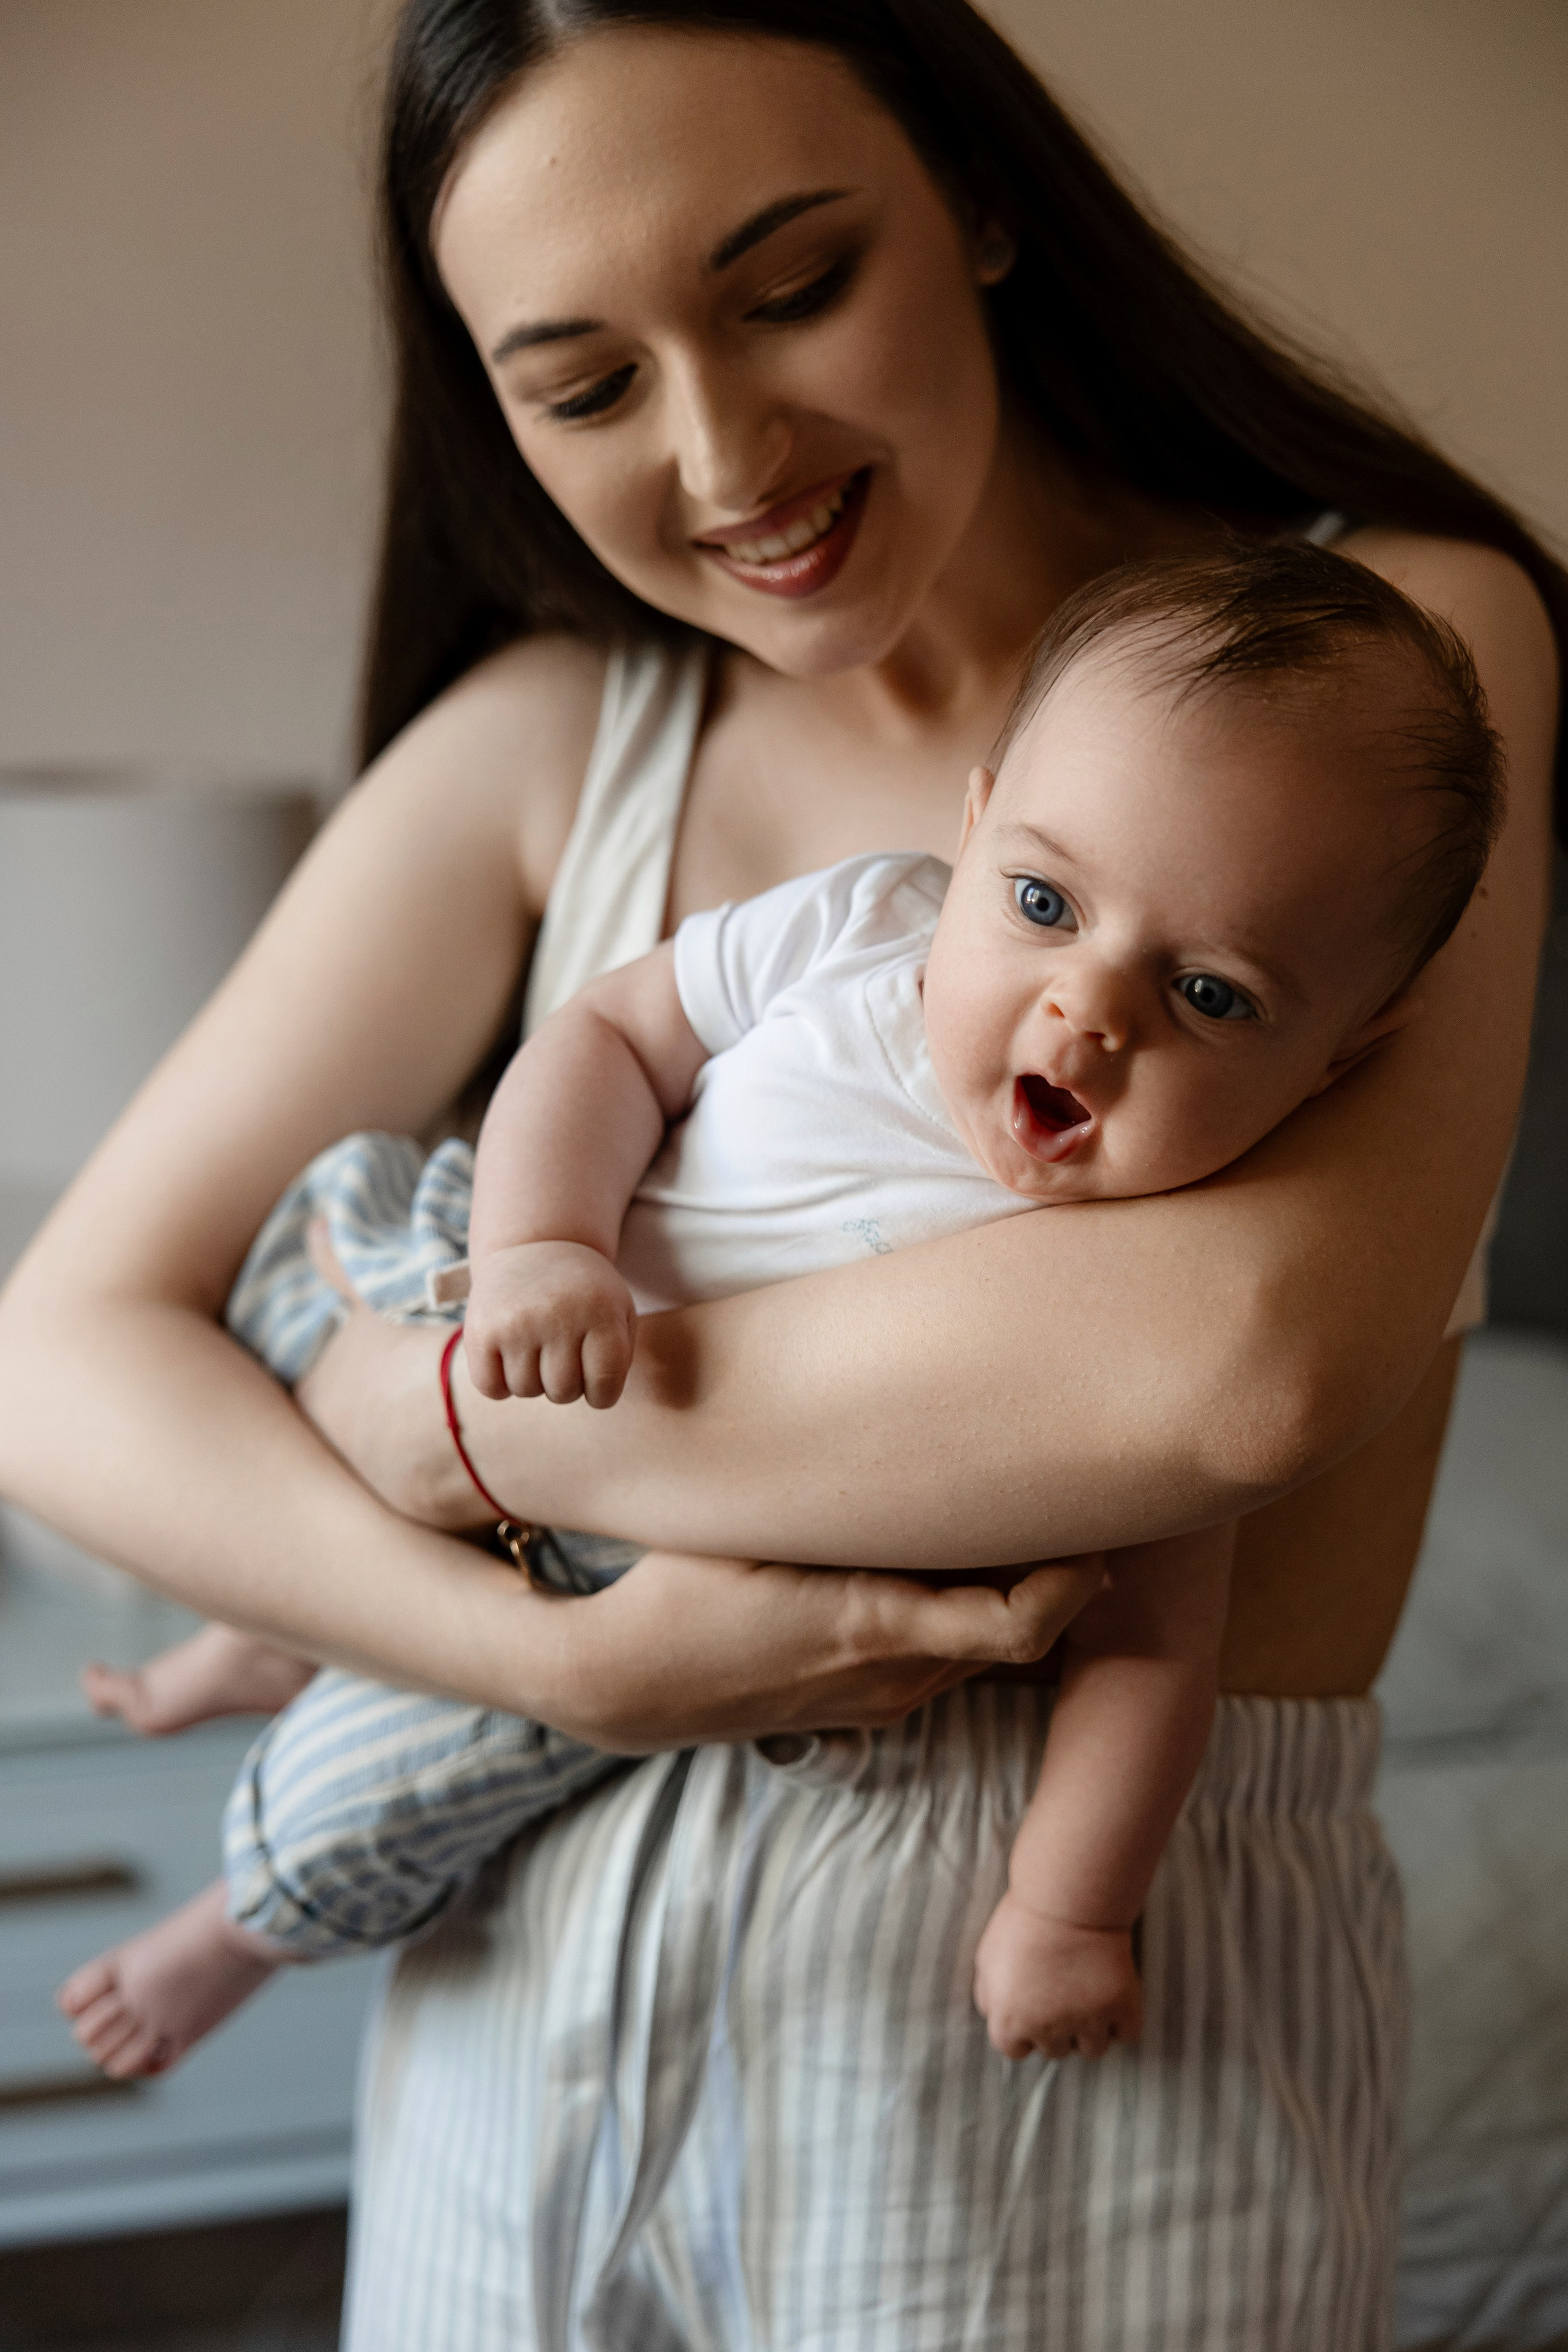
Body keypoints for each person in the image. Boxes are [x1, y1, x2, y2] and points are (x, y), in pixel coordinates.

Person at [0, 1, 1559, 2342]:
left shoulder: (1391, 671)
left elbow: (1223, 1375)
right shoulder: (545, 745)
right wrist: (570, 1657)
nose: (725, 450)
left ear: (986, 204)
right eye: (586, 380)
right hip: (513, 2043)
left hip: (1070, 2089)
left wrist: (403, 1417)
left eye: (790, 282)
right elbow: (58, 1364)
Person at [58, 540, 1504, 2097]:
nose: (1088, 1011)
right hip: (532, 1272)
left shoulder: (1180, 1252)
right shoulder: (862, 931)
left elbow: (1154, 1655)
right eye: (1038, 899)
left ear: (1344, 1061)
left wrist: (1062, 1910)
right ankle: (265, 1626)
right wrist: (543, 1243)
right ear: (970, 826)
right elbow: (608, 1035)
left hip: (667, 1588)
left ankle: (230, 1933)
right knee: (331, 1231)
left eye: (1209, 996)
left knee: (398, 1773)